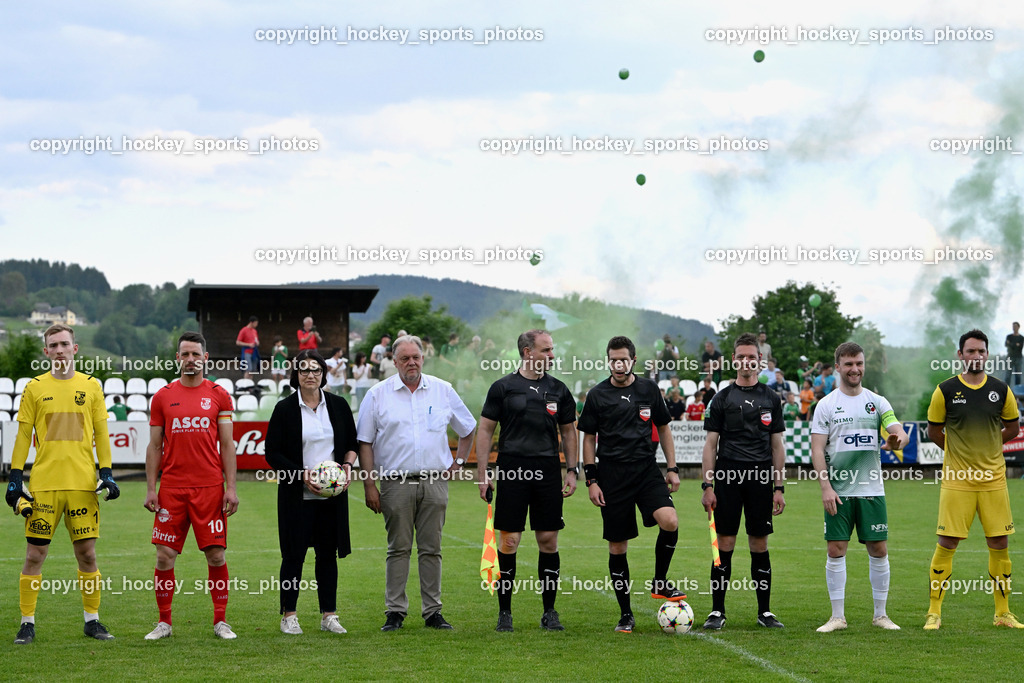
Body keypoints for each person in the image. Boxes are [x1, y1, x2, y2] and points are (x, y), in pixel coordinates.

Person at [6, 323, 120, 645]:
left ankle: (92, 621)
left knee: (87, 555)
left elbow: (101, 434)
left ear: (75, 348)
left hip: (83, 485)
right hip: (44, 485)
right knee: (34, 556)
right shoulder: (33, 388)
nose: (59, 350)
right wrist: (16, 477)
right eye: (53, 345)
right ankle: (27, 623)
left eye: (64, 344)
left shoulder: (92, 386)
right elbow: (24, 435)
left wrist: (107, 472)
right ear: (46, 352)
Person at [356, 335, 475, 632]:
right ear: (394, 361)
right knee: (398, 548)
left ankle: (433, 612)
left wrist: (458, 463)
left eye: (416, 357)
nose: (411, 362)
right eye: (405, 358)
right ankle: (395, 611)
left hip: (435, 481)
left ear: (423, 358)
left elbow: (468, 428)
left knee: (431, 549)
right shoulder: (377, 394)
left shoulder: (442, 390)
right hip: (395, 483)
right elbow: (365, 442)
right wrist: (370, 485)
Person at [579, 336, 685, 633]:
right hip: (611, 475)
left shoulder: (648, 389)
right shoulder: (597, 395)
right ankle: (626, 614)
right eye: (613, 359)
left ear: (633, 360)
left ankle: (660, 581)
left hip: (646, 470)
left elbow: (663, 428)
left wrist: (673, 468)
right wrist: (591, 479)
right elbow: (588, 438)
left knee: (670, 520)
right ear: (608, 361)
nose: (618, 364)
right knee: (617, 546)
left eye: (623, 359)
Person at [476, 329, 578, 632]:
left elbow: (569, 431)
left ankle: (549, 612)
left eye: (552, 350)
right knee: (510, 541)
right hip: (512, 469)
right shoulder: (503, 387)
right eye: (546, 350)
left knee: (548, 540)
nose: (551, 356)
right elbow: (484, 430)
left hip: (548, 469)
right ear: (526, 352)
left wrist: (572, 470)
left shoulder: (559, 389)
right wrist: (484, 474)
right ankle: (505, 612)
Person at [143, 331, 239, 640]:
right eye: (185, 354)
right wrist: (150, 489)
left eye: (196, 354)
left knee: (216, 556)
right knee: (163, 556)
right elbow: (154, 446)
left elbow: (227, 445)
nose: (190, 360)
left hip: (210, 488)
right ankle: (164, 623)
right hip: (171, 489)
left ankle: (221, 621)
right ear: (177, 359)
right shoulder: (162, 397)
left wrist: (231, 487)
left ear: (205, 358)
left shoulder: (219, 395)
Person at [924, 329, 1023, 630]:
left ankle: (1003, 613)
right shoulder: (945, 390)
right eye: (970, 351)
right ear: (960, 355)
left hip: (993, 480)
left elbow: (1013, 428)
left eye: (981, 352)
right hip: (958, 480)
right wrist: (959, 453)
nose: (976, 356)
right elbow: (933, 432)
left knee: (999, 541)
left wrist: (988, 446)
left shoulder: (1001, 389)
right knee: (947, 541)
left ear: (987, 355)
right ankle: (934, 612)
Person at [810, 342, 908, 632]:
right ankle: (837, 617)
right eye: (849, 364)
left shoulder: (877, 401)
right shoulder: (826, 404)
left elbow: (898, 431)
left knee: (878, 548)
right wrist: (825, 488)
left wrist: (896, 440)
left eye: (859, 363)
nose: (855, 369)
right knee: (836, 548)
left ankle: (881, 615)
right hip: (838, 490)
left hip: (871, 489)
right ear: (837, 366)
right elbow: (817, 450)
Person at [265, 350, 358, 636]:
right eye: (304, 370)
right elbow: (272, 453)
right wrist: (301, 475)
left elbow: (351, 444)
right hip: (297, 495)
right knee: (293, 556)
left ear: (323, 374)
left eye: (315, 369)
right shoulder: (284, 409)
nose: (310, 375)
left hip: (331, 497)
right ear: (296, 375)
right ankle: (289, 615)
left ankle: (329, 615)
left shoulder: (338, 405)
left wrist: (347, 466)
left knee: (327, 555)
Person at [700, 332, 786, 630]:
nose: (747, 361)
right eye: (741, 356)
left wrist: (779, 487)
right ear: (733, 360)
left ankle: (764, 612)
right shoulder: (721, 398)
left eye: (752, 357)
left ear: (759, 361)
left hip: (761, 478)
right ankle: (717, 611)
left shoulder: (771, 398)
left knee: (759, 543)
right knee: (724, 542)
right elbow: (711, 445)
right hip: (727, 476)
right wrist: (707, 486)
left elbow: (777, 446)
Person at [236, 316, 260, 380]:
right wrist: (248, 344)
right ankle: (245, 384)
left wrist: (257, 343)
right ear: (252, 322)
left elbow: (256, 340)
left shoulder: (254, 331)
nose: (256, 325)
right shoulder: (244, 330)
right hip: (247, 352)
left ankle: (250, 386)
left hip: (254, 352)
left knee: (253, 370)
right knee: (248, 369)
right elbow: (238, 342)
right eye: (256, 323)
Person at [1005, 322, 1023, 387]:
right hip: (1010, 358)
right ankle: (1006, 391)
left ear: (1018, 327)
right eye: (1013, 326)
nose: (1014, 327)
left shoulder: (1021, 338)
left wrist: (1011, 344)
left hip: (1018, 358)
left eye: (1015, 326)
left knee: (1018, 376)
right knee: (1007, 375)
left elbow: (1020, 347)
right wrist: (1015, 344)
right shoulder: (1009, 336)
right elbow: (1006, 345)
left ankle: (1017, 392)